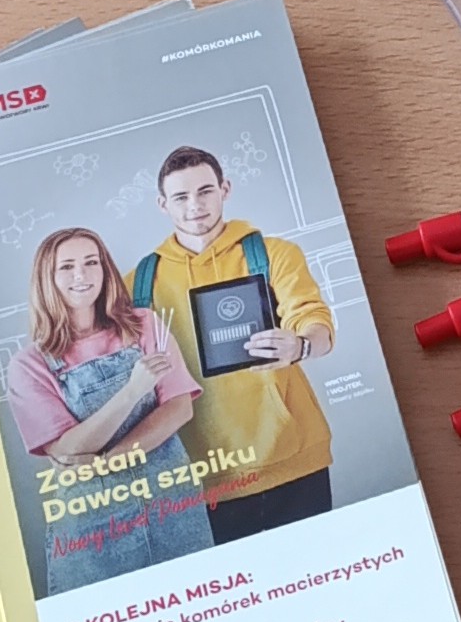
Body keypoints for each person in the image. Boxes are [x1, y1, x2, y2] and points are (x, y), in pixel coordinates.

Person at [131, 145, 337, 545]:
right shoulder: (138, 284)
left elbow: (315, 322)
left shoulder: (274, 254)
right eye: (181, 196)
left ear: (225, 189)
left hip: (295, 461)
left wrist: (300, 345)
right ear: (162, 204)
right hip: (205, 478)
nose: (195, 205)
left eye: (205, 191)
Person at [3, 227, 212, 593]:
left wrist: (107, 462)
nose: (81, 275)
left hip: (170, 506)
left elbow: (179, 408)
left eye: (91, 262)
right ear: (47, 279)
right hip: (92, 527)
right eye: (66, 267)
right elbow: (67, 449)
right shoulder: (28, 366)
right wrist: (132, 391)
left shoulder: (146, 325)